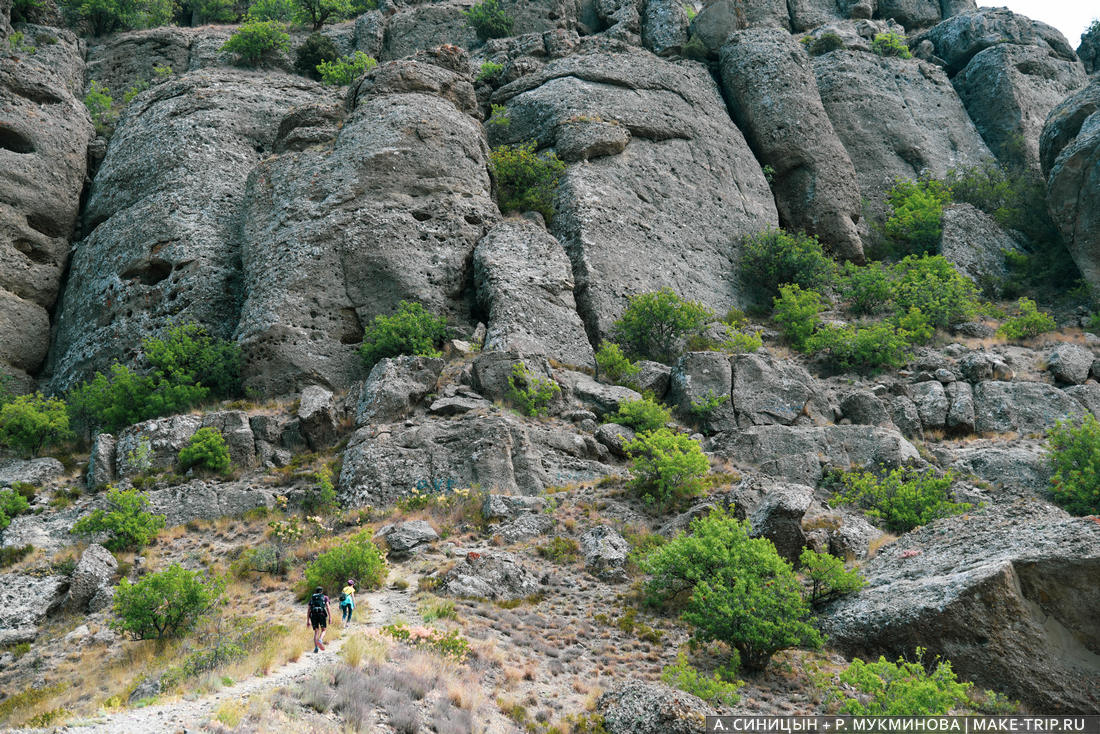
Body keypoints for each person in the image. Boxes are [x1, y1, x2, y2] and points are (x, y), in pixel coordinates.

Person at [307, 586, 331, 653]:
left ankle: (316, 648)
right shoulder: (325, 597)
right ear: (322, 591)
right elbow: (328, 607)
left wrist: (308, 620)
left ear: (316, 591)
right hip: (321, 614)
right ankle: (320, 640)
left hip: (313, 615)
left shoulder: (312, 598)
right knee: (323, 630)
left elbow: (308, 609)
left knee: (316, 631)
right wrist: (330, 617)